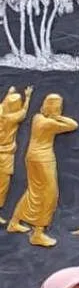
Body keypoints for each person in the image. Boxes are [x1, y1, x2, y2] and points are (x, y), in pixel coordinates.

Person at [7, 93, 78, 247]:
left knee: (33, 191)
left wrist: (52, 115)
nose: (60, 109)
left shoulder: (37, 117)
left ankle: (14, 222)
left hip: (32, 157)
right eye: (58, 107)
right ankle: (38, 233)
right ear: (53, 107)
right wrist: (57, 117)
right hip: (44, 160)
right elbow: (73, 125)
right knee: (50, 195)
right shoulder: (48, 124)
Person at [0, 85, 32, 217]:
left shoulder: (1, 111)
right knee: (3, 184)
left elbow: (3, 104)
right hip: (5, 154)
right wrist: (28, 97)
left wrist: (9, 93)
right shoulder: (12, 119)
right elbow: (24, 112)